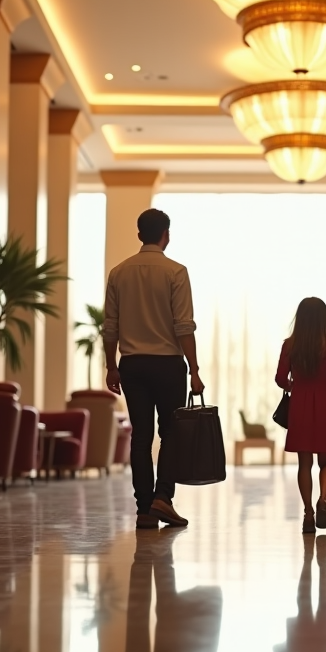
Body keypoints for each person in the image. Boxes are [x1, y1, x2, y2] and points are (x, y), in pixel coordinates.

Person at [104, 208, 205, 530]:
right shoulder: (176, 272)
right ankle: (163, 496)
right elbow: (183, 326)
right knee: (171, 434)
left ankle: (144, 508)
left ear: (139, 235)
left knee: (141, 437)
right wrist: (195, 369)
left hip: (132, 365)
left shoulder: (119, 273)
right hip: (167, 365)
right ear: (167, 234)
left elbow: (110, 327)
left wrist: (111, 366)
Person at [276, 297, 326, 534]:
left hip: (299, 407)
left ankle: (308, 513)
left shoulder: (290, 345)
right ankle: (323, 500)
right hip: (325, 408)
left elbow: (279, 378)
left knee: (304, 465)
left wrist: (292, 386)